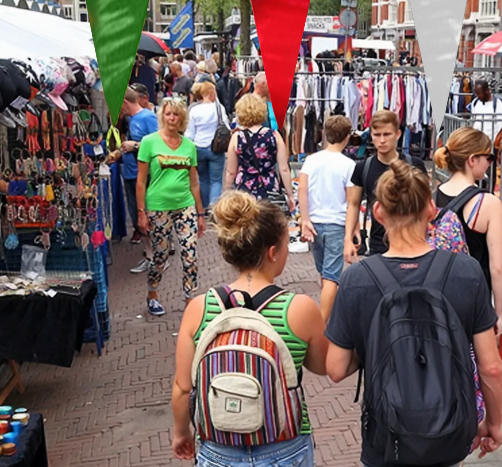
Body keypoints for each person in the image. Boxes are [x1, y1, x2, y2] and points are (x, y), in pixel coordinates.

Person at [325, 161, 502, 467]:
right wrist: (492, 422)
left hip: (385, 438)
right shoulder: (466, 271)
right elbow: (491, 368)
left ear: (378, 212)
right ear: (432, 209)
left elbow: (336, 368)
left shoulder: (357, 278)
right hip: (450, 432)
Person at [170, 192, 328, 465]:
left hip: (219, 447)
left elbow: (183, 388)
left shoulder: (199, 308)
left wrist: (181, 433)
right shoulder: (299, 309)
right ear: (272, 252)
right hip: (284, 446)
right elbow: (324, 366)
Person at [137, 97, 205, 317]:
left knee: (190, 253)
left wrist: (200, 212)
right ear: (162, 116)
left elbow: (194, 182)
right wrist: (141, 212)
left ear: (182, 118)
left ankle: (190, 299)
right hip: (158, 206)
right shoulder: (149, 142)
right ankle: (152, 293)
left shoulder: (189, 146)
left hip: (185, 205)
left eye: (176, 114)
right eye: (168, 114)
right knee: (161, 254)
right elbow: (140, 180)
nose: (172, 118)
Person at [433, 127, 502, 331]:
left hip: (434, 296)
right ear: (472, 159)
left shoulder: (431, 198)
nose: (490, 163)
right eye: (489, 157)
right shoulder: (488, 203)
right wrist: (499, 314)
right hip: (472, 300)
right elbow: (498, 267)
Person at [344, 110, 426, 262]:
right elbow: (353, 204)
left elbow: (425, 203)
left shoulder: (415, 165)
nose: (382, 140)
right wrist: (348, 238)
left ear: (398, 134)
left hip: (413, 241)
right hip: (378, 244)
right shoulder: (363, 168)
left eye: (387, 134)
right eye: (377, 135)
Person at [298, 115, 355, 321]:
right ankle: (323, 323)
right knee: (331, 275)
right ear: (347, 137)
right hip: (336, 223)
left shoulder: (311, 160)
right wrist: (352, 230)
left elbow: (302, 188)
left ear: (324, 134)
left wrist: (305, 218)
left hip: (314, 222)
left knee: (324, 272)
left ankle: (329, 312)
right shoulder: (348, 165)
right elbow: (351, 201)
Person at [225, 93, 294, 214]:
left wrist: (226, 193)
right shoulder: (274, 135)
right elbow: (284, 169)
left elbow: (231, 171)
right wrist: (290, 195)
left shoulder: (237, 138)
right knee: (268, 223)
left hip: (244, 187)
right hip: (269, 185)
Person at [118, 87, 158, 270]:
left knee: (145, 215)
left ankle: (155, 256)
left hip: (142, 175)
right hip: (130, 173)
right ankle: (150, 254)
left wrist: (134, 145)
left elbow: (160, 142)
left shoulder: (148, 117)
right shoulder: (130, 120)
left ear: (125, 103)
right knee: (136, 215)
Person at [185, 81, 230, 210]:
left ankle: (203, 206)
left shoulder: (194, 110)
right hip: (216, 147)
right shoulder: (218, 108)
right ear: (211, 93)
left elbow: (190, 133)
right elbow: (225, 126)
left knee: (203, 179)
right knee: (216, 180)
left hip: (199, 147)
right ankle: (213, 206)